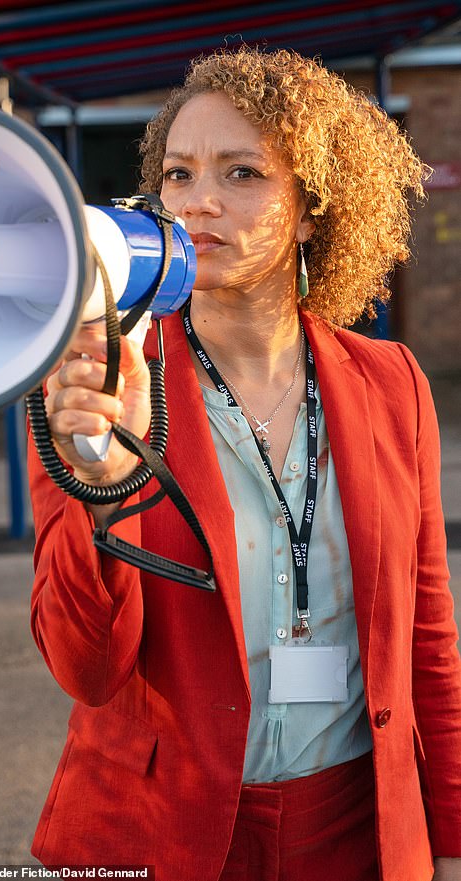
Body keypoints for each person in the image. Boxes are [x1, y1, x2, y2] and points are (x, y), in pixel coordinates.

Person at [27, 47, 461, 881]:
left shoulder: (392, 384)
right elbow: (84, 667)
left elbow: (428, 638)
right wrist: (109, 484)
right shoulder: (98, 380)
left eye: (243, 172)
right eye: (180, 175)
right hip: (165, 833)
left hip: (357, 827)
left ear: (311, 208)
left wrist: (450, 837)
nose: (201, 203)